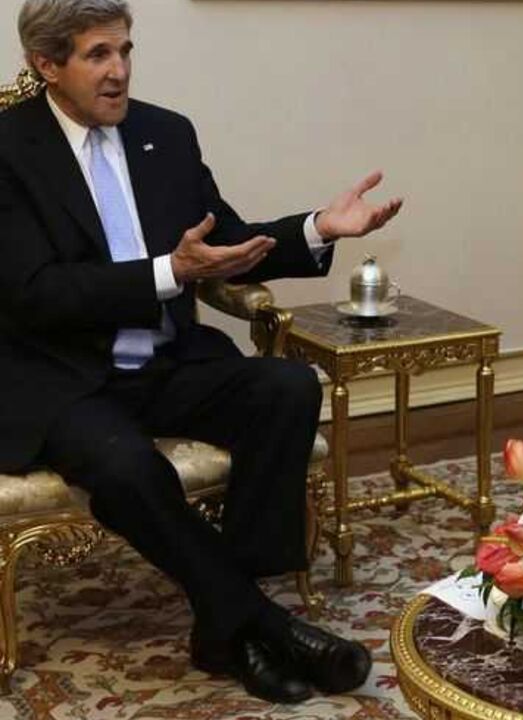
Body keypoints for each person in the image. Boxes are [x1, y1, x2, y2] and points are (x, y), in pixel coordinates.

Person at [0, 0, 404, 704]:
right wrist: (169, 274)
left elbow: (225, 249)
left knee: (286, 388)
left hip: (166, 360)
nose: (120, 71)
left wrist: (315, 227)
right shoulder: (7, 149)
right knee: (127, 465)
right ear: (47, 64)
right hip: (61, 378)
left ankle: (229, 620)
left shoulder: (165, 133)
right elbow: (35, 293)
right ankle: (259, 624)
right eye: (98, 55)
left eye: (126, 50)